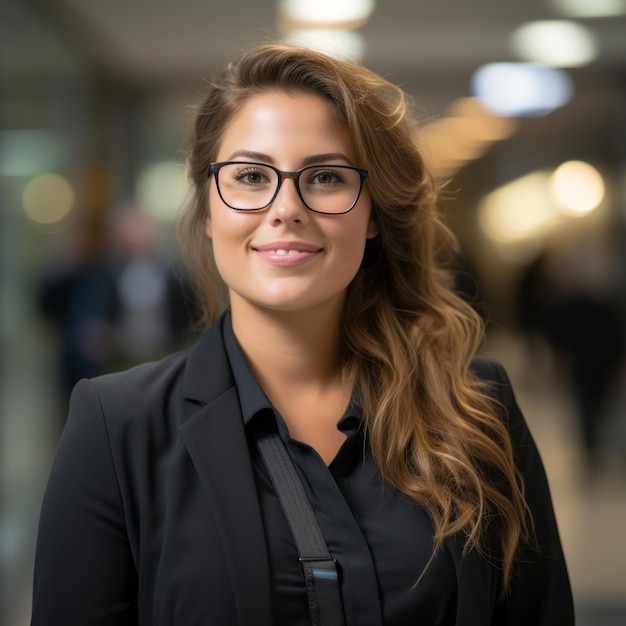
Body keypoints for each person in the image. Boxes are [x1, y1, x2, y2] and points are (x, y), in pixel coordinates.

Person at [31, 43, 574, 625]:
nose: (286, 207)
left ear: (371, 215)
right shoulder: (118, 428)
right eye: (249, 175)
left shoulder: (475, 407)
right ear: (209, 211)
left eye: (324, 177)